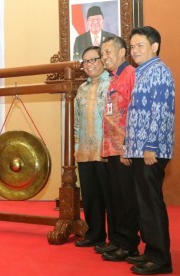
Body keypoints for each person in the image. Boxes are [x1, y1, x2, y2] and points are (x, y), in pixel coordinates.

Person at [124, 26, 175, 275]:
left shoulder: (159, 72)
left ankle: (161, 259)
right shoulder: (143, 73)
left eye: (140, 45)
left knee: (151, 204)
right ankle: (151, 253)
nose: (134, 50)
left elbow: (161, 113)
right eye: (132, 46)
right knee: (144, 204)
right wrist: (129, 147)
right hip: (139, 149)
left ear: (154, 46)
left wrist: (150, 146)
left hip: (150, 150)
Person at [98, 36, 140, 261]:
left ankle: (129, 245)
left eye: (107, 52)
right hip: (112, 149)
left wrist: (127, 146)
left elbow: (134, 113)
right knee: (115, 199)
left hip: (124, 149)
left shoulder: (130, 75)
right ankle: (118, 241)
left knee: (126, 200)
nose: (104, 57)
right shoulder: (113, 78)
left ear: (123, 52)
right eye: (102, 53)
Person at [73, 47, 113, 247]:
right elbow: (77, 121)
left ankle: (116, 240)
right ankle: (94, 235)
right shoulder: (82, 89)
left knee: (111, 197)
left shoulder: (112, 84)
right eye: (85, 61)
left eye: (93, 60)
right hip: (86, 152)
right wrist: (77, 145)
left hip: (107, 150)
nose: (89, 65)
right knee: (90, 197)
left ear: (102, 61)